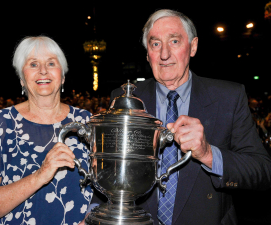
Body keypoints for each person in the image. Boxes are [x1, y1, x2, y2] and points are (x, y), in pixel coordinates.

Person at [90, 9, 271, 225]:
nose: (164, 54)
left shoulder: (228, 97)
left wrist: (208, 154)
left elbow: (262, 170)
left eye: (174, 41)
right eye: (155, 44)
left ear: (193, 47)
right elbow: (109, 170)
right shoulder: (124, 99)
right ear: (148, 53)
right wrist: (95, 213)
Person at [0, 36, 93, 225]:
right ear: (21, 78)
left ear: (63, 76)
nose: (43, 71)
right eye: (33, 64)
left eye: (51, 63)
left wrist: (92, 218)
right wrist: (40, 175)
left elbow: (107, 188)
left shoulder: (87, 121)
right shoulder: (0, 123)